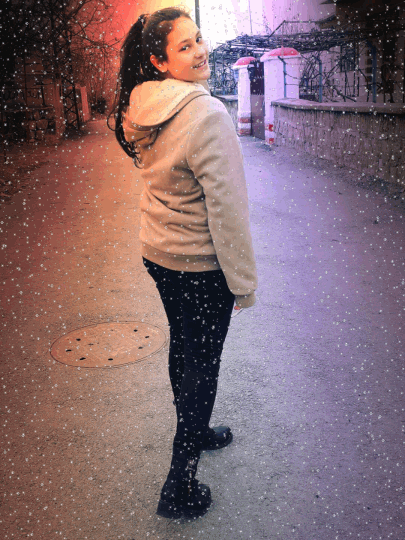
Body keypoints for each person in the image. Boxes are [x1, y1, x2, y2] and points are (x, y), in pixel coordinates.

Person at [109, 7, 258, 519]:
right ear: (159, 60)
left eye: (199, 39)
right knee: (202, 364)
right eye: (185, 46)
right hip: (199, 264)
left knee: (186, 351)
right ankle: (180, 484)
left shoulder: (143, 103)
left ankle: (197, 430)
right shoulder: (206, 114)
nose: (200, 51)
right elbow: (228, 211)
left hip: (161, 255)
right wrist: (242, 284)